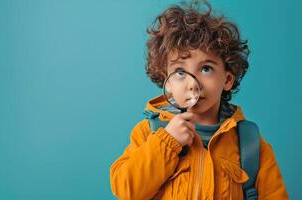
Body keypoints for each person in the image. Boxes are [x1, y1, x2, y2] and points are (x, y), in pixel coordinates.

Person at [110, 1, 289, 199]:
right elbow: (126, 189)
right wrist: (167, 143)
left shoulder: (250, 145)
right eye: (179, 72)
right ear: (167, 82)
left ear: (227, 80)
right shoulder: (149, 133)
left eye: (206, 69)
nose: (193, 85)